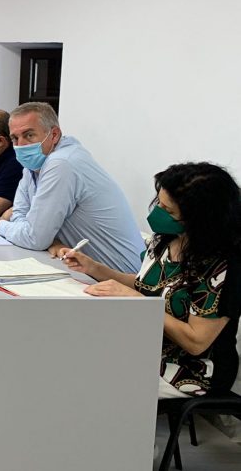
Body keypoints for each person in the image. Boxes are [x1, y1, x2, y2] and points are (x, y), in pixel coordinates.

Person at [61, 162, 240, 398]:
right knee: (69, 351)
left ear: (198, 219)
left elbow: (196, 342)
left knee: (87, 378)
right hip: (145, 343)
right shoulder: (167, 238)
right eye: (159, 203)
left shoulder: (222, 266)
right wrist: (94, 268)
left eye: (168, 210)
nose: (157, 213)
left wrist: (141, 303)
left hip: (191, 371)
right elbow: (145, 285)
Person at [0, 102, 145, 273]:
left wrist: (1, 224)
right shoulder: (34, 164)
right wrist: (40, 236)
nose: (20, 145)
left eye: (29, 135)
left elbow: (34, 238)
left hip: (123, 281)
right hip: (87, 273)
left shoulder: (62, 163)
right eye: (15, 138)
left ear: (54, 134)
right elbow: (23, 218)